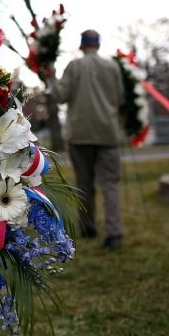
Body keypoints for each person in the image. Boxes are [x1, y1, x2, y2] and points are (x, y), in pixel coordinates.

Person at [43, 29, 125, 250]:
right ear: (98, 44)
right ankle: (114, 233)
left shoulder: (75, 66)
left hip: (80, 135)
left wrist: (51, 79)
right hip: (108, 133)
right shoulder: (112, 67)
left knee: (84, 184)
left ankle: (88, 228)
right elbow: (119, 98)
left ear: (82, 45)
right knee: (110, 184)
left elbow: (60, 96)